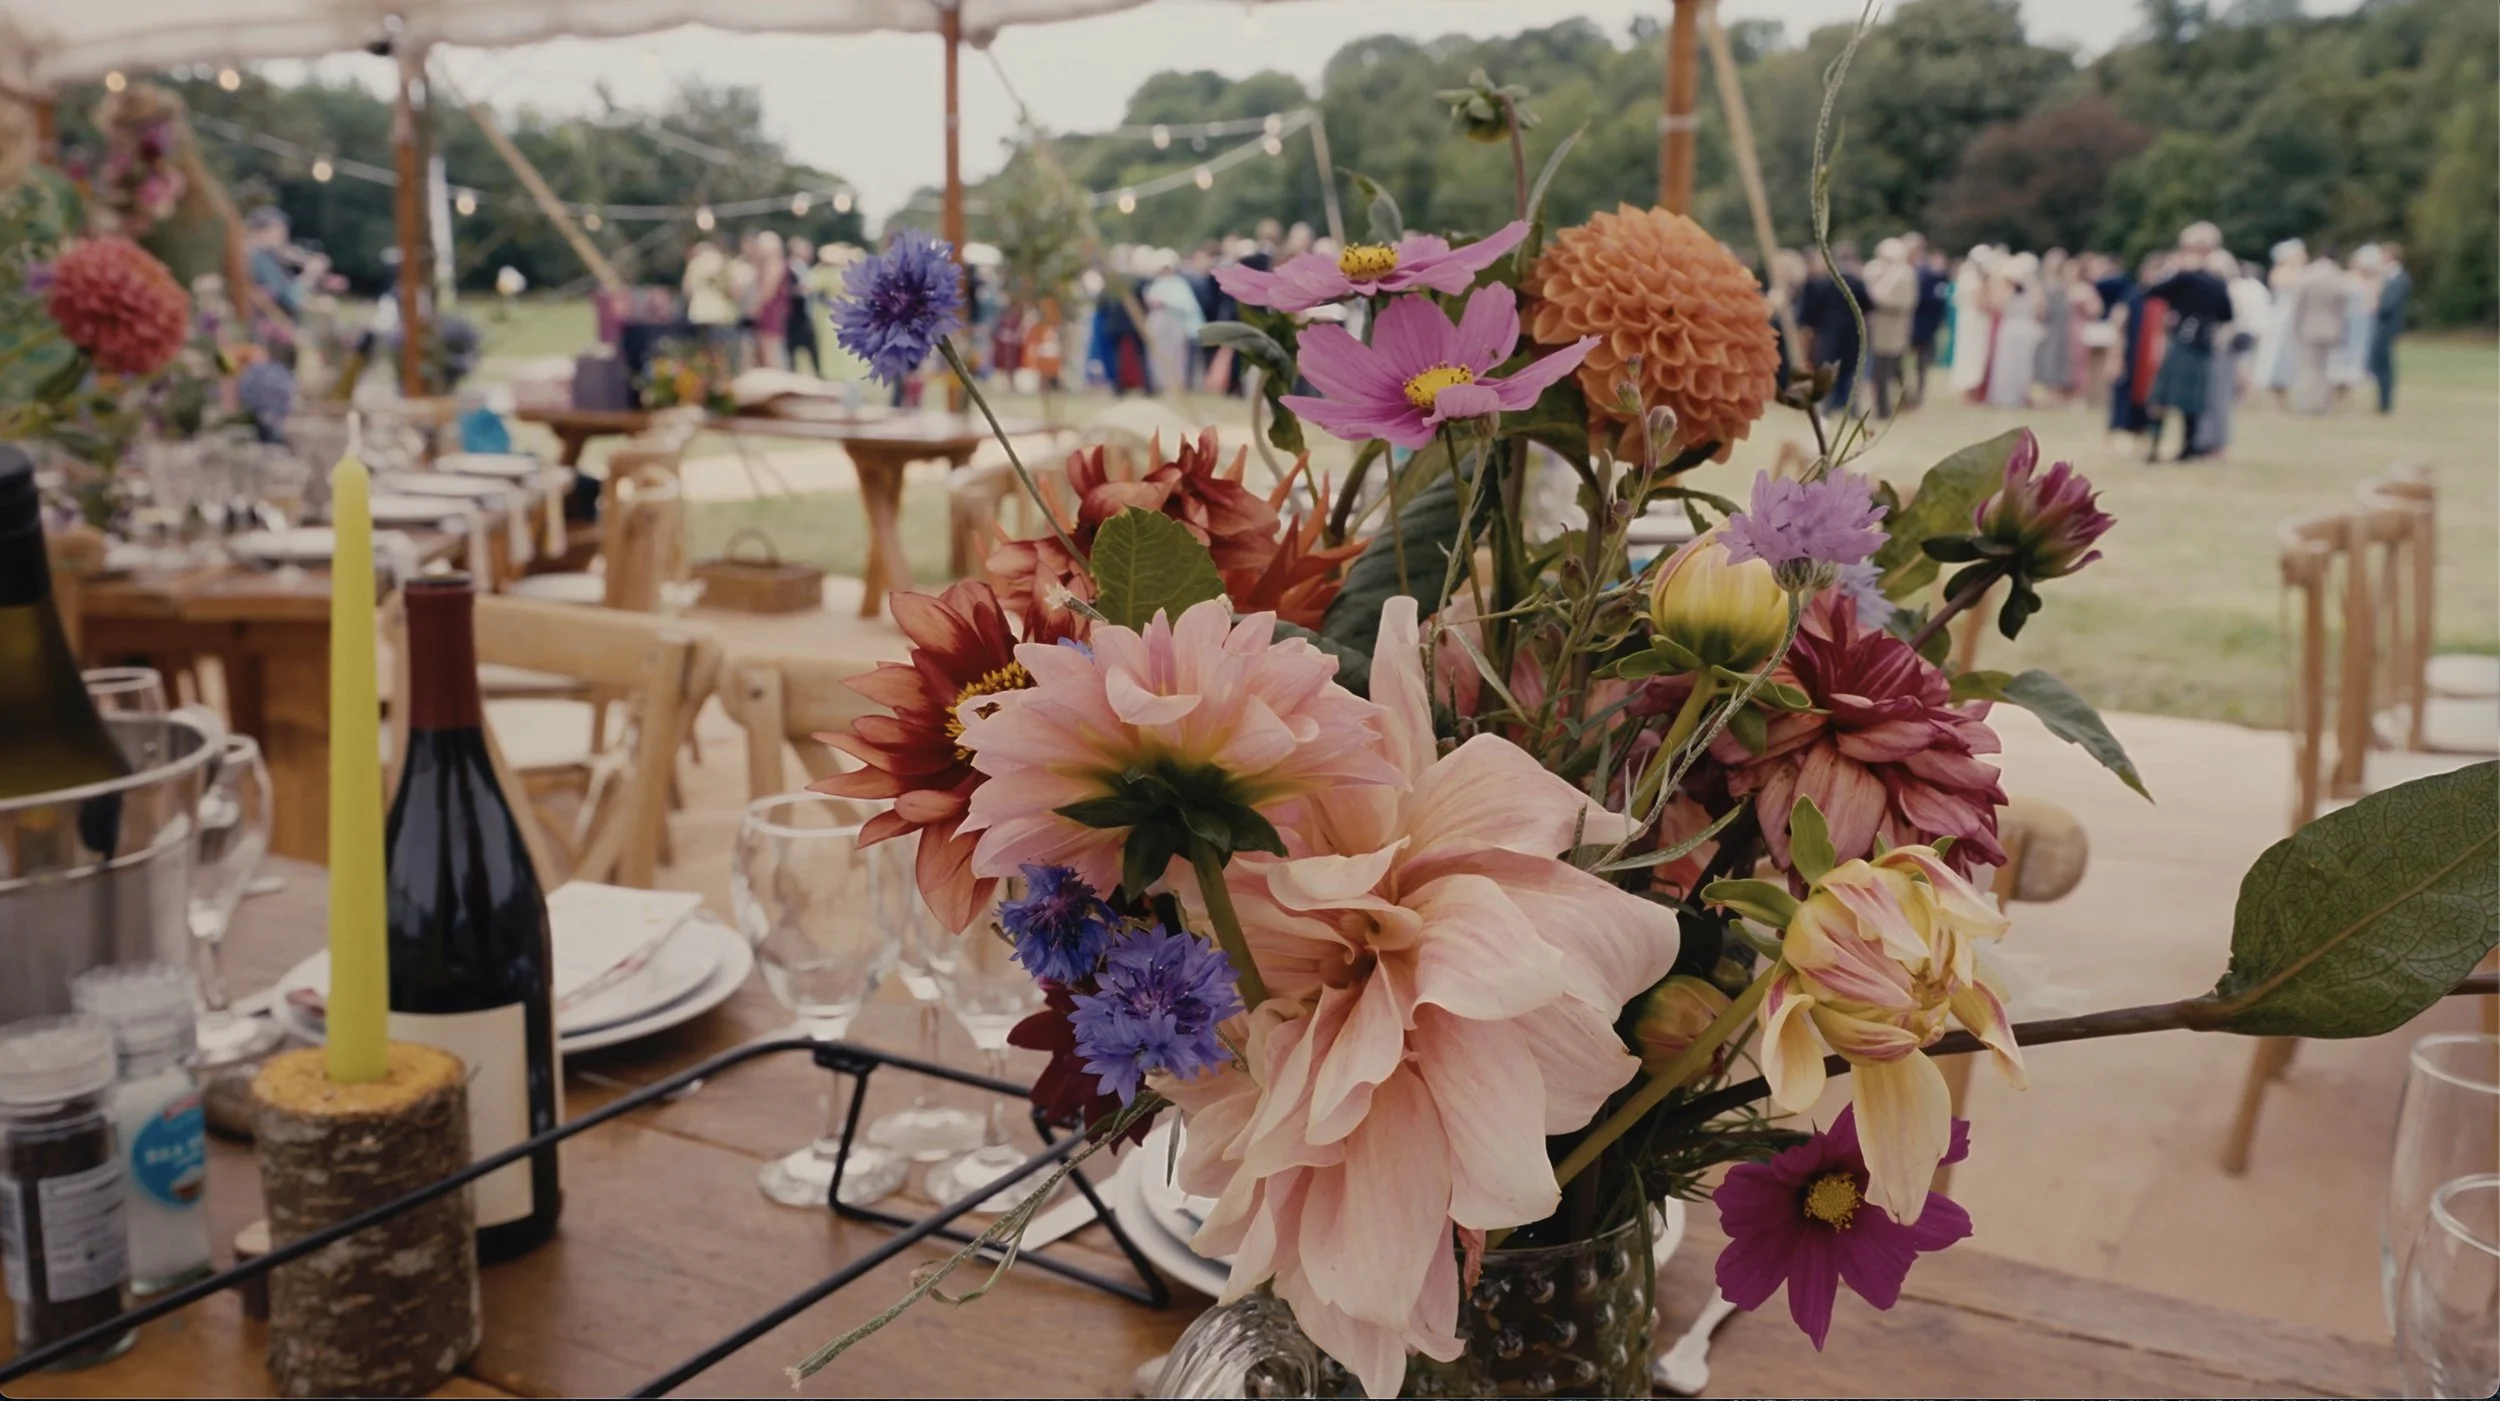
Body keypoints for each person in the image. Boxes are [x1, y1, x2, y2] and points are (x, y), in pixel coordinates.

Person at [2140, 223, 2235, 462]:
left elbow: (2151, 292)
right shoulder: (2217, 281)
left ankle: (2154, 447)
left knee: (2161, 399)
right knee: (2192, 402)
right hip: (2203, 343)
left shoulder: (2184, 277)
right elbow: (2226, 314)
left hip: (2182, 340)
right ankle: (2188, 448)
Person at [1795, 243, 1870, 416]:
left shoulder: (1825, 283)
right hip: (1852, 332)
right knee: (1850, 370)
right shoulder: (1857, 282)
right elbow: (1867, 305)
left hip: (1829, 332)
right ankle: (1851, 407)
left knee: (1829, 369)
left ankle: (1827, 406)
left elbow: (1814, 308)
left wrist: (1813, 326)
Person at [2285, 249, 2347, 414]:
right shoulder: (2338, 276)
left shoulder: (2308, 275)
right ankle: (2323, 404)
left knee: (2307, 368)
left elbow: (2298, 304)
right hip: (2331, 328)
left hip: (2309, 327)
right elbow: (2342, 307)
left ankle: (2306, 403)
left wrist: (2295, 327)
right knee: (2325, 368)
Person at [1863, 238, 1917, 419]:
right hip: (1878, 330)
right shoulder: (1877, 271)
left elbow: (1902, 302)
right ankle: (1886, 406)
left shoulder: (1903, 275)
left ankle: (1890, 407)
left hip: (1892, 331)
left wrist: (1875, 299)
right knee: (1883, 371)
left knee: (1889, 370)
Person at [1141, 250, 1205, 399]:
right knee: (1158, 356)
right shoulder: (1155, 284)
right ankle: (1161, 385)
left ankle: (1176, 385)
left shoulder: (1179, 284)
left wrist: (1166, 303)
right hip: (1158, 325)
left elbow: (1187, 305)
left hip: (1175, 325)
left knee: (1177, 356)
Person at [2253, 238, 2306, 406]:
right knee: (2277, 355)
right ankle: (2276, 397)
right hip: (2282, 318)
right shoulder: (2281, 272)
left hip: (2296, 318)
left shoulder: (2302, 272)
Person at [1986, 253, 2043, 409]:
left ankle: (2021, 396)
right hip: (2010, 327)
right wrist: (2011, 288)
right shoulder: (2006, 288)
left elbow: (2039, 309)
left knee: (2024, 364)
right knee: (2006, 362)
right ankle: (2004, 397)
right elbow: (1999, 306)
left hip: (2025, 327)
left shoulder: (2033, 287)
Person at [2331, 244, 2382, 404]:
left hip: (2360, 325)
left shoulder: (2373, 282)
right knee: (2338, 358)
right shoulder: (2344, 278)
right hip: (2342, 322)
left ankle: (2344, 397)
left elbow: (2373, 306)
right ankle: (2333, 395)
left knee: (2355, 359)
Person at [2368, 243, 2409, 415]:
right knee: (2378, 364)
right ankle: (2382, 401)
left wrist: (2375, 304)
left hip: (2388, 327)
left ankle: (2386, 403)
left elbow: (2388, 305)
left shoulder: (2400, 278)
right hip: (2382, 326)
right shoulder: (2387, 277)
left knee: (2384, 365)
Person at [1948, 248, 1995, 400]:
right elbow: (1979, 303)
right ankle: (1969, 392)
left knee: (1967, 353)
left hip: (1967, 319)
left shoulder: (1965, 276)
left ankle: (1968, 391)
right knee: (1973, 354)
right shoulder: (1975, 279)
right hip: (1975, 321)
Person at [1908, 242, 1949, 408]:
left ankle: (1918, 393)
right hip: (1912, 323)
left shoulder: (1934, 276)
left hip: (1924, 324)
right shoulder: (1922, 274)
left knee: (1922, 360)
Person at [682, 240, 739, 356]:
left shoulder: (695, 264)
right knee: (724, 354)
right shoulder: (725, 263)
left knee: (703, 353)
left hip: (699, 315)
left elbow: (687, 290)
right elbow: (734, 291)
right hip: (723, 315)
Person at [747, 230, 791, 370]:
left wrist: (754, 307)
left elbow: (768, 292)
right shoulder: (769, 265)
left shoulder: (774, 265)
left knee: (771, 359)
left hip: (771, 316)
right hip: (768, 317)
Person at [783, 236, 822, 376]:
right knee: (793, 354)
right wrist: (801, 290)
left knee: (813, 352)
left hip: (805, 316)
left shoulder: (806, 268)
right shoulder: (789, 267)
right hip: (795, 317)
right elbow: (787, 290)